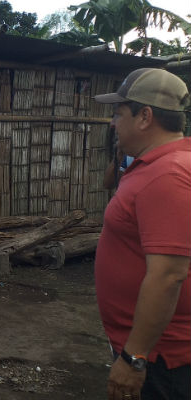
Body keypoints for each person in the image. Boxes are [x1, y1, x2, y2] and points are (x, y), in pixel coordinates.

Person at [93, 68, 191, 400]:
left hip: (162, 359)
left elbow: (168, 275)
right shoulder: (158, 165)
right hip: (156, 351)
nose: (112, 123)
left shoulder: (168, 175)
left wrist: (134, 357)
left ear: (145, 117)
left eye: (118, 114)